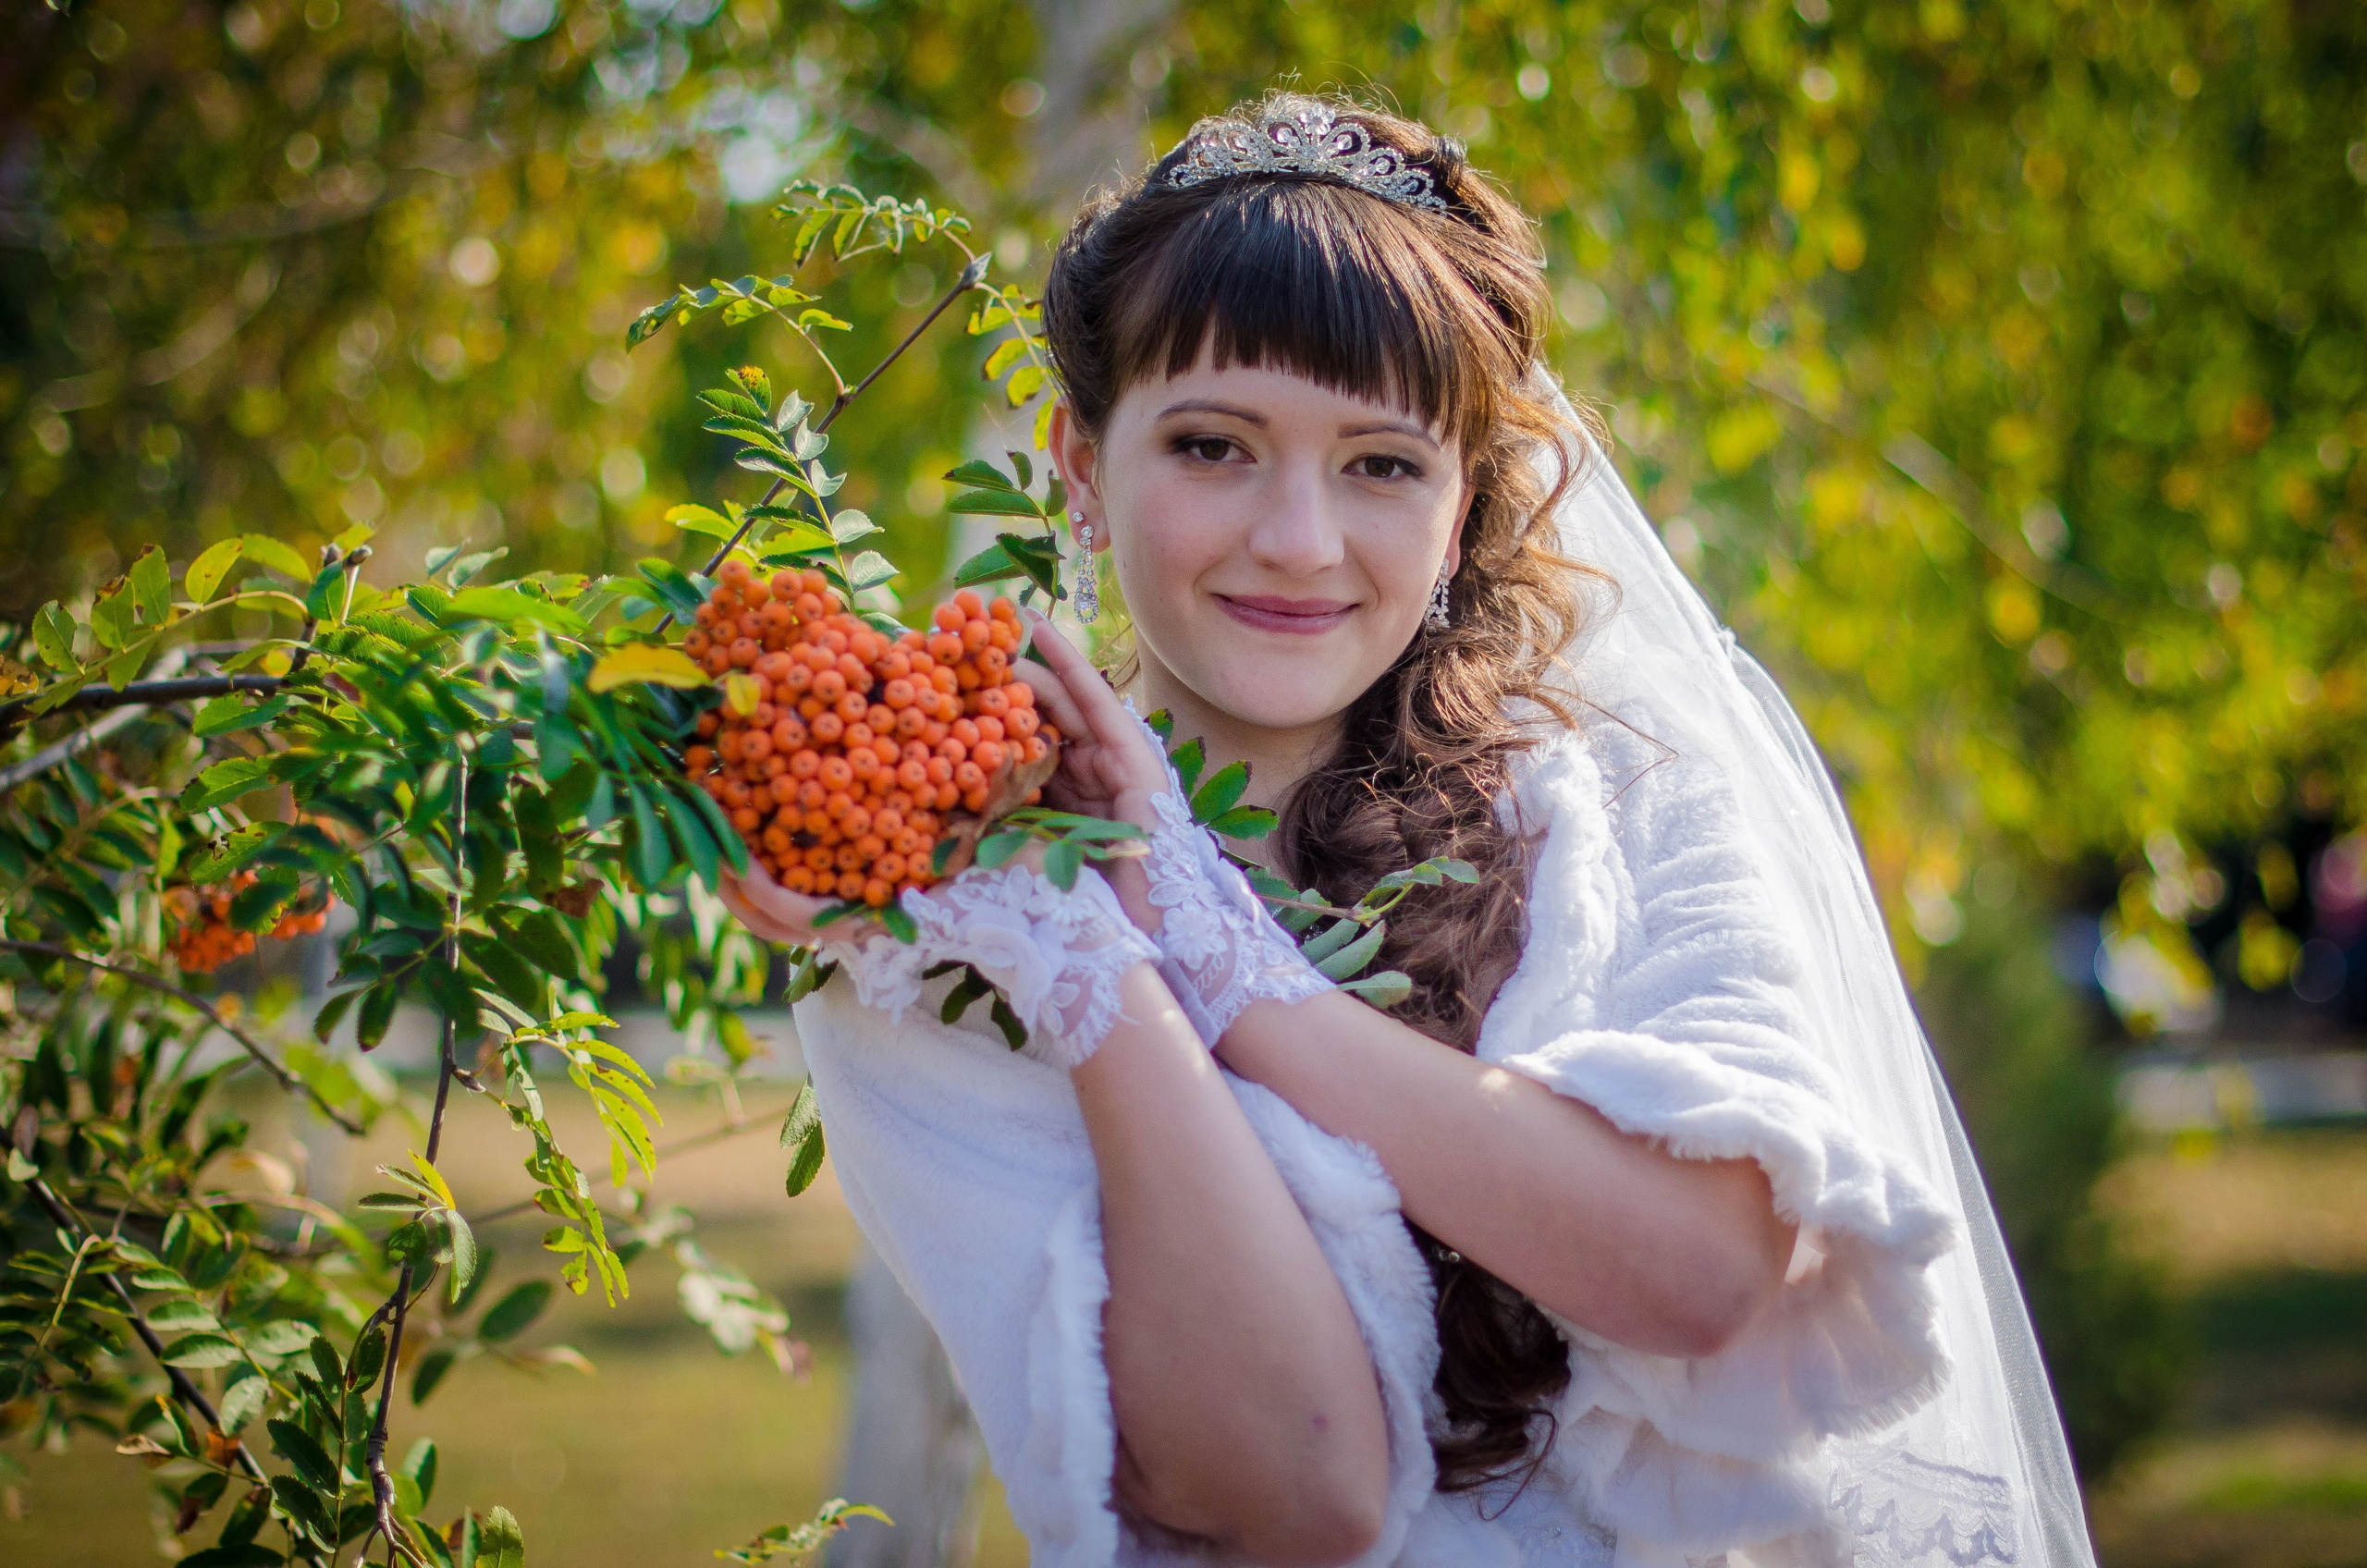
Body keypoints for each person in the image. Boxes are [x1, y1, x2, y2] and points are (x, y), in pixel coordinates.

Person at [720, 93, 2095, 1568]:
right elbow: (1301, 1492)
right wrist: (1092, 965)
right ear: (1079, 463)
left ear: (1461, 505)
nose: (1298, 540)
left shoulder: (1628, 799)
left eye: (1381, 463)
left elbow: (1705, 1277)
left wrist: (1208, 943)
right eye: (1213, 446)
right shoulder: (946, 929)